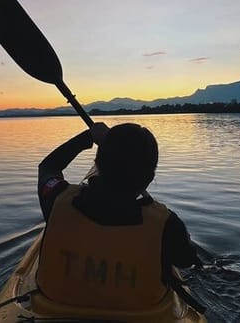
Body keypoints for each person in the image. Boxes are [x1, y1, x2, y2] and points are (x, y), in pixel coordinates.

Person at [36, 122, 201, 311]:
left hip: (53, 307)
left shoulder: (57, 198)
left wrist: (88, 137)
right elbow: (186, 260)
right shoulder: (168, 225)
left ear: (97, 164)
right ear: (149, 179)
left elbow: (48, 166)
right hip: (144, 314)